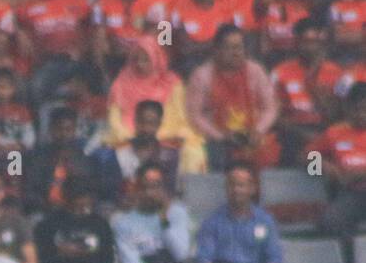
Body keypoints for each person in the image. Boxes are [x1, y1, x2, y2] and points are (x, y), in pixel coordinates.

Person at [194, 162, 294, 263]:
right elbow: (204, 259)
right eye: (231, 185)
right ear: (226, 189)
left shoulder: (265, 220)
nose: (236, 190)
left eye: (241, 185)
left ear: (252, 189)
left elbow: (275, 259)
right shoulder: (212, 221)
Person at [106, 35, 207, 174]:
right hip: (133, 138)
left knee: (193, 151)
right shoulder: (120, 84)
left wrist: (161, 134)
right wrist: (133, 135)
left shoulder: (172, 83)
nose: (140, 64)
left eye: (146, 60)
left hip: (168, 134)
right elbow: (115, 122)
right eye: (136, 59)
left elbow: (180, 118)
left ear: (156, 60)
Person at [20, 176, 117, 263]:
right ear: (66, 197)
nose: (82, 201)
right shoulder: (48, 225)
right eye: (77, 196)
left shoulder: (100, 224)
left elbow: (109, 259)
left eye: (85, 196)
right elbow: (43, 262)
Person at [186, 24, 280, 170]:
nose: (236, 53)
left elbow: (270, 108)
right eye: (230, 48)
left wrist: (258, 130)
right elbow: (195, 116)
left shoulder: (256, 71)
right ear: (216, 50)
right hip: (216, 139)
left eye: (239, 48)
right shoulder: (202, 76)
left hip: (252, 136)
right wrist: (221, 136)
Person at [17, 0, 91, 107]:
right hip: (47, 63)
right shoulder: (26, 8)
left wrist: (83, 51)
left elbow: (94, 33)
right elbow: (14, 29)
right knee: (34, 88)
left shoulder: (81, 3)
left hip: (79, 61)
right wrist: (19, 33)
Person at [272, 19, 342, 166]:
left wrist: (312, 84)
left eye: (314, 42)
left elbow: (337, 116)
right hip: (294, 132)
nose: (310, 47)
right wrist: (303, 134)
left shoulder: (336, 72)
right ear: (296, 43)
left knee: (318, 157)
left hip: (324, 131)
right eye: (305, 42)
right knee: (294, 148)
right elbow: (276, 116)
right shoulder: (280, 72)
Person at [111, 161, 191, 263]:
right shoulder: (122, 222)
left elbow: (181, 253)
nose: (150, 193)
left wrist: (164, 218)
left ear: (164, 188)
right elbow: (130, 262)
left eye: (156, 186)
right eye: (145, 187)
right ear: (137, 189)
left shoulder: (177, 213)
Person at [169, 0, 242, 76]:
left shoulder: (227, 11)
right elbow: (183, 49)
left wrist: (198, 46)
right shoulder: (176, 12)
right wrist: (216, 44)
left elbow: (232, 45)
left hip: (222, 66)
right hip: (191, 67)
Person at [313, 81, 366, 236]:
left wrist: (361, 173)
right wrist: (324, 166)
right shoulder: (334, 133)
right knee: (330, 221)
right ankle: (349, 259)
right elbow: (305, 157)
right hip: (351, 194)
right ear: (348, 109)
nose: (362, 114)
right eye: (358, 109)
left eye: (365, 109)